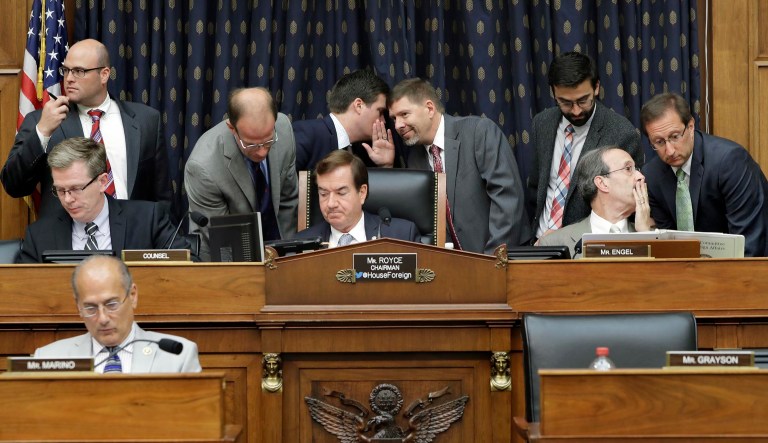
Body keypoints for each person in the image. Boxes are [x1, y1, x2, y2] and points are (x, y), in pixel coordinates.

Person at [2, 39, 171, 217]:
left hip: (132, 238)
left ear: (104, 74)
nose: (69, 78)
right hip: (68, 239)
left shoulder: (146, 121)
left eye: (79, 71)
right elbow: (14, 185)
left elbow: (162, 198)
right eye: (66, 70)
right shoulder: (41, 120)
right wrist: (42, 132)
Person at [388, 78, 528, 254]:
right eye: (394, 118)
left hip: (501, 257)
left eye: (404, 114)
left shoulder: (478, 132)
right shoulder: (415, 157)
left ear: (430, 108)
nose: (397, 125)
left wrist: (491, 260)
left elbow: (507, 200)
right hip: (456, 268)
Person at [17, 137, 192, 263]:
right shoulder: (39, 234)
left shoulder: (148, 220)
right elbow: (23, 291)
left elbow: (190, 266)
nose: (68, 199)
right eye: (60, 190)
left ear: (102, 182)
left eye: (76, 189)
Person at [528, 51, 641, 241]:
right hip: (538, 243)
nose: (576, 110)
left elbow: (624, 203)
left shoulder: (621, 133)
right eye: (565, 102)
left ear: (596, 87)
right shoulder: (542, 123)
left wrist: (560, 236)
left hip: (583, 245)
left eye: (583, 100)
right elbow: (536, 188)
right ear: (553, 93)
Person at [641, 92, 768, 257]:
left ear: (691, 127)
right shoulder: (652, 176)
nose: (670, 150)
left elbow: (749, 241)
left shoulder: (729, 161)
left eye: (675, 136)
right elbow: (668, 247)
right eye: (659, 142)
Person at [34, 255, 201, 373]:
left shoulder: (178, 356)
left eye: (111, 304)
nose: (103, 319)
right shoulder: (48, 359)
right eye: (90, 308)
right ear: (78, 306)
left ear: (132, 296)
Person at [185, 87, 298, 261]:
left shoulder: (283, 129)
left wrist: (287, 258)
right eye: (251, 145)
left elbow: (287, 203)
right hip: (227, 257)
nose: (261, 152)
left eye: (268, 141)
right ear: (232, 128)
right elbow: (222, 239)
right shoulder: (203, 167)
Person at [538, 146, 653, 258]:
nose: (640, 176)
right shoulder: (554, 243)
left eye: (636, 169)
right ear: (602, 183)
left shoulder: (662, 239)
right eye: (628, 169)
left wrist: (645, 234)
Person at [293, 150, 420, 246]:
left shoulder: (401, 236)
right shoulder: (301, 244)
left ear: (362, 193)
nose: (331, 204)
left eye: (341, 193)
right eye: (324, 194)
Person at [293, 69, 404, 172]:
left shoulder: (365, 151)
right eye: (380, 112)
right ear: (359, 105)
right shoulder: (306, 134)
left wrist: (385, 166)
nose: (384, 121)